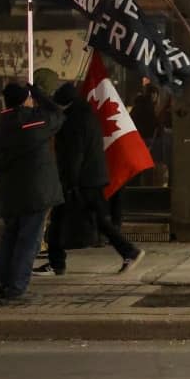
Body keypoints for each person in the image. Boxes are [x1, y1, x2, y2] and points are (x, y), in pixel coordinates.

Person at [35, 83, 145, 277]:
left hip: (80, 182)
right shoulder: (85, 114)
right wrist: (37, 92)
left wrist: (70, 183)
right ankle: (128, 251)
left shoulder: (73, 122)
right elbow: (54, 107)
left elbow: (74, 155)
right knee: (98, 220)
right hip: (92, 178)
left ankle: (57, 262)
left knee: (61, 220)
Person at [0, 82, 65, 302]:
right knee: (29, 240)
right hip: (35, 191)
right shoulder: (34, 121)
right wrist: (39, 91)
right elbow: (58, 114)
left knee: (10, 237)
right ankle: (16, 287)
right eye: (29, 97)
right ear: (25, 99)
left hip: (10, 191)